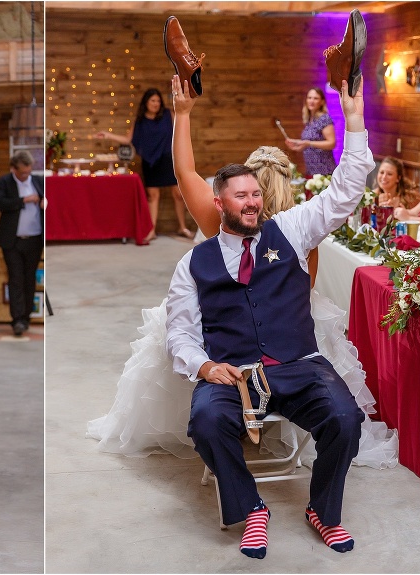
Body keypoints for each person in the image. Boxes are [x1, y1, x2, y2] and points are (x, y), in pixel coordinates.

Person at [89, 73, 396, 472]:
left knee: (199, 348)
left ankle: (231, 427)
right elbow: (305, 291)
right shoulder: (301, 233)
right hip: (284, 340)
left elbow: (184, 172)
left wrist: (183, 113)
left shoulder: (232, 216)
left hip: (227, 338)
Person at [167, 78, 372, 559]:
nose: (253, 202)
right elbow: (179, 329)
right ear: (219, 203)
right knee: (205, 422)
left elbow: (345, 192)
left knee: (346, 419)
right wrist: (204, 368)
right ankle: (252, 507)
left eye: (256, 194)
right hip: (231, 373)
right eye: (241, 196)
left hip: (299, 364)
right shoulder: (193, 263)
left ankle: (323, 509)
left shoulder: (293, 229)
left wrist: (354, 119)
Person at [96, 88, 194, 241]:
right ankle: (152, 230)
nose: (156, 104)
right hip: (150, 161)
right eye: (152, 100)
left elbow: (181, 131)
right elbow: (128, 139)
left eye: (158, 101)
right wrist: (108, 135)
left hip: (168, 159)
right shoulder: (140, 120)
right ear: (146, 102)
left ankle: (182, 227)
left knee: (178, 194)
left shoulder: (169, 115)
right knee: (153, 196)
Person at [0, 151, 44, 336]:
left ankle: (27, 316)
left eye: (28, 172)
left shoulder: (38, 181)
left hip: (35, 238)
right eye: (22, 173)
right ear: (13, 169)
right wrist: (24, 200)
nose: (26, 176)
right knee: (15, 279)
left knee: (30, 279)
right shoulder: (4, 182)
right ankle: (17, 320)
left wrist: (45, 202)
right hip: (12, 240)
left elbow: (49, 199)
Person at [285, 87, 337, 176]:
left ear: (322, 102)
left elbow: (332, 143)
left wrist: (308, 143)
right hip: (311, 170)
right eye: (309, 98)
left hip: (324, 171)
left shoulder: (324, 119)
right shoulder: (310, 120)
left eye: (315, 98)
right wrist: (298, 145)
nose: (311, 101)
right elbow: (310, 144)